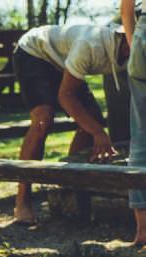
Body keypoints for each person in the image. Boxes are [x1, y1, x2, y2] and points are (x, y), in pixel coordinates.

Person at [13, 24, 130, 225]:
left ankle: (67, 185)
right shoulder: (90, 44)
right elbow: (65, 96)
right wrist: (99, 133)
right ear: (127, 36)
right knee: (43, 119)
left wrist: (95, 128)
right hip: (34, 51)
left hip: (64, 62)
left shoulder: (133, 54)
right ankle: (22, 201)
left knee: (92, 118)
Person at [121, 0, 146, 245]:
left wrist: (133, 40)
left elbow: (126, 6)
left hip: (141, 32)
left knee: (140, 136)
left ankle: (143, 230)